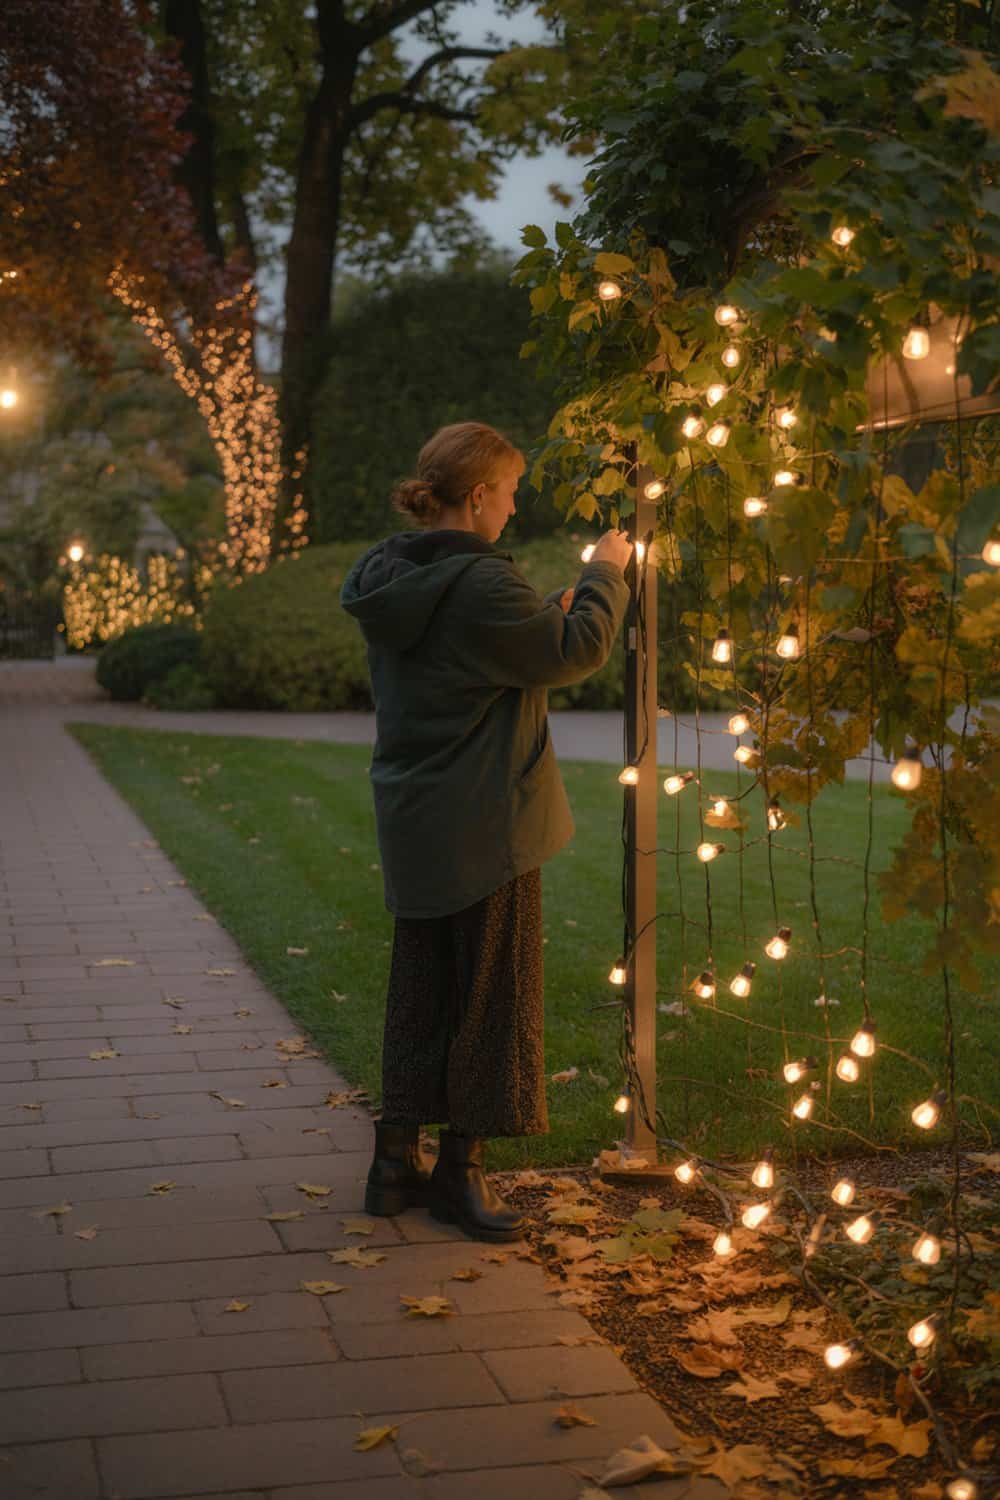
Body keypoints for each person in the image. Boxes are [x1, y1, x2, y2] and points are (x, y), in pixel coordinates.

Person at [340, 420, 632, 1243]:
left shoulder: (391, 573)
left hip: (418, 816)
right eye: (509, 493)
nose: (513, 507)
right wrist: (605, 574)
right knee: (491, 999)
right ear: (477, 498)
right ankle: (459, 1178)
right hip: (489, 820)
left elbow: (467, 656)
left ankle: (392, 1165)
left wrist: (536, 613)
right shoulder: (480, 583)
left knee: (422, 990)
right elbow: (574, 652)